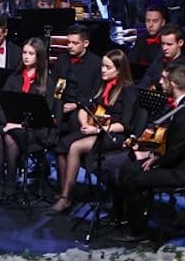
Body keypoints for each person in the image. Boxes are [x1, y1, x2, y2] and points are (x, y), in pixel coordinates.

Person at [109, 63, 185, 241]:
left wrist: (155, 160)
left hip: (184, 171)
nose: (160, 83)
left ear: (173, 84)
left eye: (164, 79)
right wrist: (153, 156)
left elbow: (177, 151)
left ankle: (139, 230)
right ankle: (127, 216)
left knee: (137, 179)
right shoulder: (183, 105)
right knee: (128, 169)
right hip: (175, 162)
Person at [52, 50, 137, 213]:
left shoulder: (128, 90)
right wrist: (84, 123)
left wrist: (97, 129)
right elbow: (86, 107)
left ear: (119, 70)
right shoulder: (103, 84)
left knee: (75, 147)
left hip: (115, 135)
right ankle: (65, 190)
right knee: (62, 144)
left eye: (108, 67)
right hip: (96, 129)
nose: (103, 70)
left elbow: (124, 125)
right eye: (103, 66)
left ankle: (65, 197)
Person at [0, 37, 57, 200]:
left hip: (35, 130)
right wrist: (9, 123)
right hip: (11, 126)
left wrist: (17, 124)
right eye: (25, 52)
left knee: (10, 138)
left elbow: (44, 114)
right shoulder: (14, 78)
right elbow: (0, 108)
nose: (26, 56)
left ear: (38, 57)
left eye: (31, 53)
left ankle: (11, 185)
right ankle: (0, 184)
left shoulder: (47, 82)